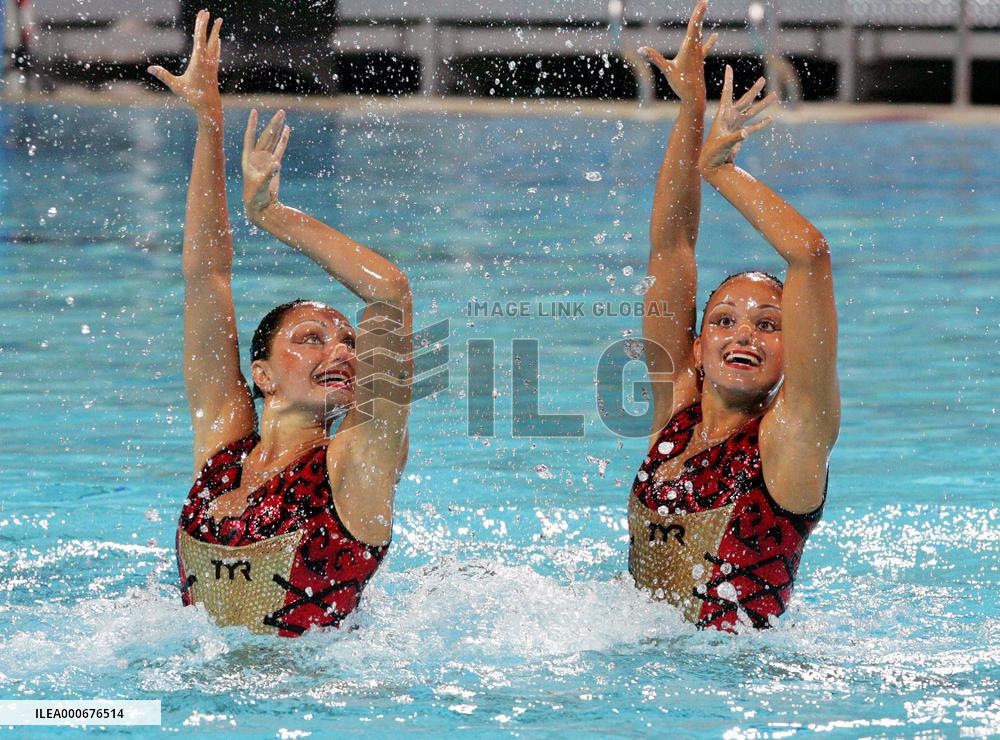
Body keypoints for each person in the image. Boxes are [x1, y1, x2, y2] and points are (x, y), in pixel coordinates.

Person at [148, 11, 412, 637]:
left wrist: (271, 215)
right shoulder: (224, 448)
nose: (342, 350)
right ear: (260, 374)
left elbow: (391, 294)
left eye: (348, 340)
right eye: (312, 338)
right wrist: (209, 123)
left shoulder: (358, 463)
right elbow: (206, 276)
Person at [633, 0, 839, 631]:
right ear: (695, 346)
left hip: (737, 690)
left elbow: (809, 255)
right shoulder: (676, 408)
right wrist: (691, 107)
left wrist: (719, 171)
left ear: (789, 350)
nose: (744, 332)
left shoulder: (792, 436)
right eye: (723, 320)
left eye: (769, 324)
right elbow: (672, 248)